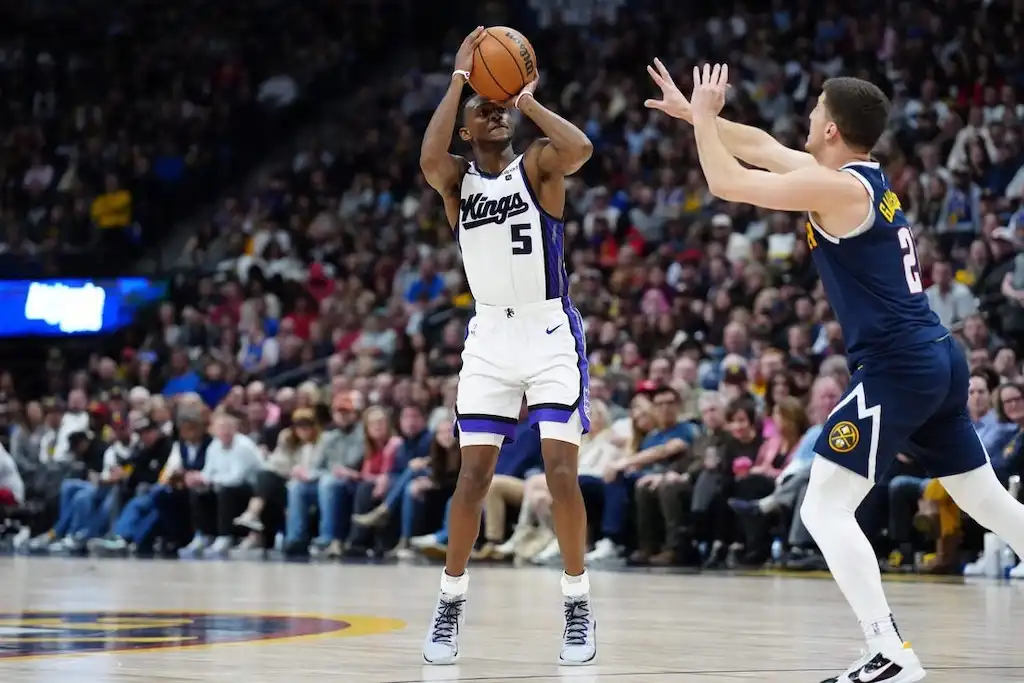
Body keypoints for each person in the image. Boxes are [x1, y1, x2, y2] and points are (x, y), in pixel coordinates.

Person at [645, 60, 1024, 683]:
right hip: (934, 358)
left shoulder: (839, 190)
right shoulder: (856, 178)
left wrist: (709, 122)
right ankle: (889, 650)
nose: (808, 119)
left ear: (831, 131)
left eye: (815, 112)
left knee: (823, 510)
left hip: (898, 367)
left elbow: (727, 183)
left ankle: (889, 651)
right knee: (986, 501)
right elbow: (763, 148)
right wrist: (697, 116)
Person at [418, 27, 595, 665]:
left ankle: (576, 601)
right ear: (467, 128)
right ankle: (450, 600)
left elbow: (580, 147)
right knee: (473, 478)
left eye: (500, 110)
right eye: (482, 112)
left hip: (548, 331)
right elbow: (428, 159)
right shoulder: (457, 182)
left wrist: (523, 99)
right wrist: (462, 77)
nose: (493, 114)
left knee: (560, 473)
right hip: (489, 336)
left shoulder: (539, 166)